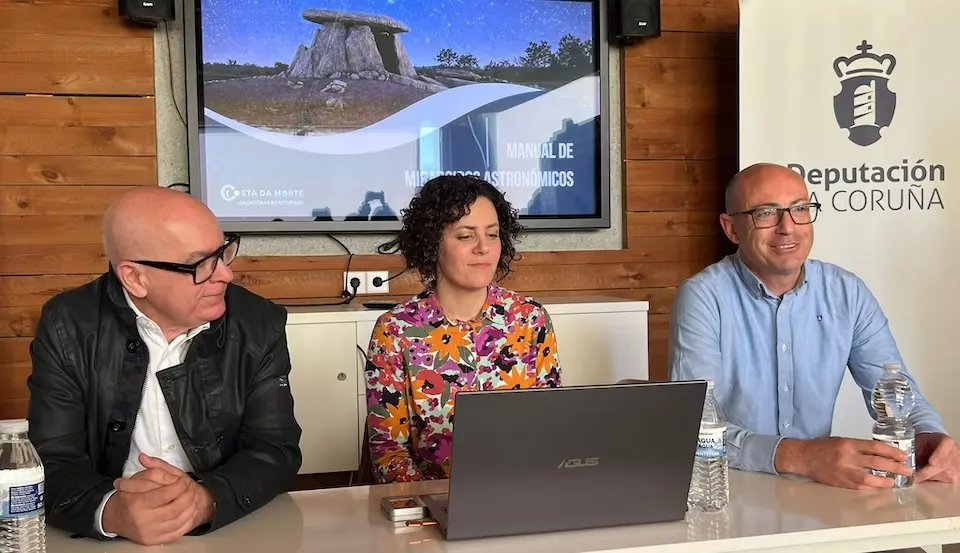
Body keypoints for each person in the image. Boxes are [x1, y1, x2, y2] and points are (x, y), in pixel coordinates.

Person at [27, 187, 302, 544]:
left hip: (228, 529)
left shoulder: (257, 322)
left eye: (223, 253)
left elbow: (275, 449)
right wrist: (111, 510)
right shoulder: (69, 325)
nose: (225, 275)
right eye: (201, 263)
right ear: (135, 278)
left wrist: (205, 500)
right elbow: (50, 460)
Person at [668, 162, 959, 490]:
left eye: (800, 209)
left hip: (819, 492)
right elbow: (692, 426)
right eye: (765, 213)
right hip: (729, 488)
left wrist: (929, 435)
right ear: (731, 229)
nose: (787, 228)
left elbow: (893, 388)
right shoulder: (703, 297)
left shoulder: (846, 292)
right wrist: (800, 456)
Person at [364, 175, 562, 483]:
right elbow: (390, 453)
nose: (483, 248)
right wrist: (437, 507)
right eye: (466, 236)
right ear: (432, 243)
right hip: (433, 507)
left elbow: (552, 430)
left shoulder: (529, 319)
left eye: (492, 234)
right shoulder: (395, 331)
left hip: (523, 495)